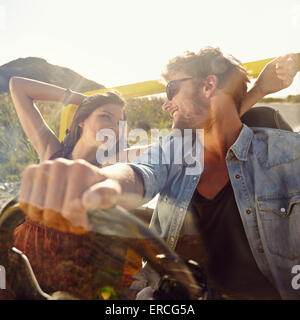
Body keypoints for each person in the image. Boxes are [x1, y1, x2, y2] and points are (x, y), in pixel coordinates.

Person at [16, 48, 299, 299]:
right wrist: (81, 100)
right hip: (28, 263)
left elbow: (209, 128)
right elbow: (145, 169)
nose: (115, 128)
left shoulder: (134, 154)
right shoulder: (55, 153)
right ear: (80, 121)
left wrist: (102, 183)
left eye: (119, 122)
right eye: (105, 116)